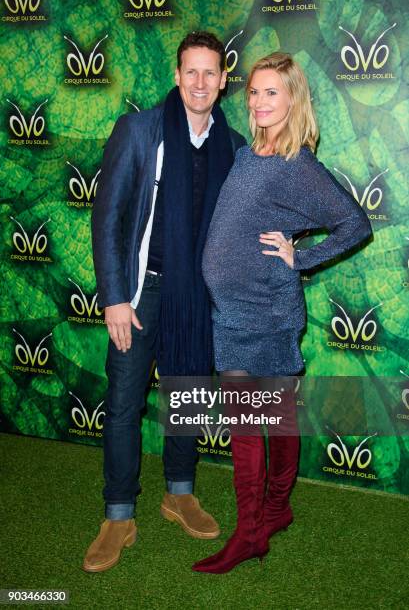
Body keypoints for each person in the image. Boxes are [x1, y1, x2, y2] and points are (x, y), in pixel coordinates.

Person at [192, 52, 372, 574]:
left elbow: (354, 224)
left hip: (267, 314)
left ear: (293, 98)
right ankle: (273, 512)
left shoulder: (297, 164)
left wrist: (301, 257)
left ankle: (255, 527)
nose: (259, 101)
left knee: (258, 422)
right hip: (232, 311)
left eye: (272, 92)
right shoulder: (253, 153)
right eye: (253, 91)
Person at [85, 31, 246, 573]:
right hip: (140, 292)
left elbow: (247, 218)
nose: (200, 83)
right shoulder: (140, 130)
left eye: (210, 73)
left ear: (224, 81)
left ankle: (179, 493)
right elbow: (106, 219)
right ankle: (118, 514)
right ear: (177, 75)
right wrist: (113, 298)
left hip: (196, 296)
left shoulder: (233, 144)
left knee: (189, 396)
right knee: (126, 401)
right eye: (190, 72)